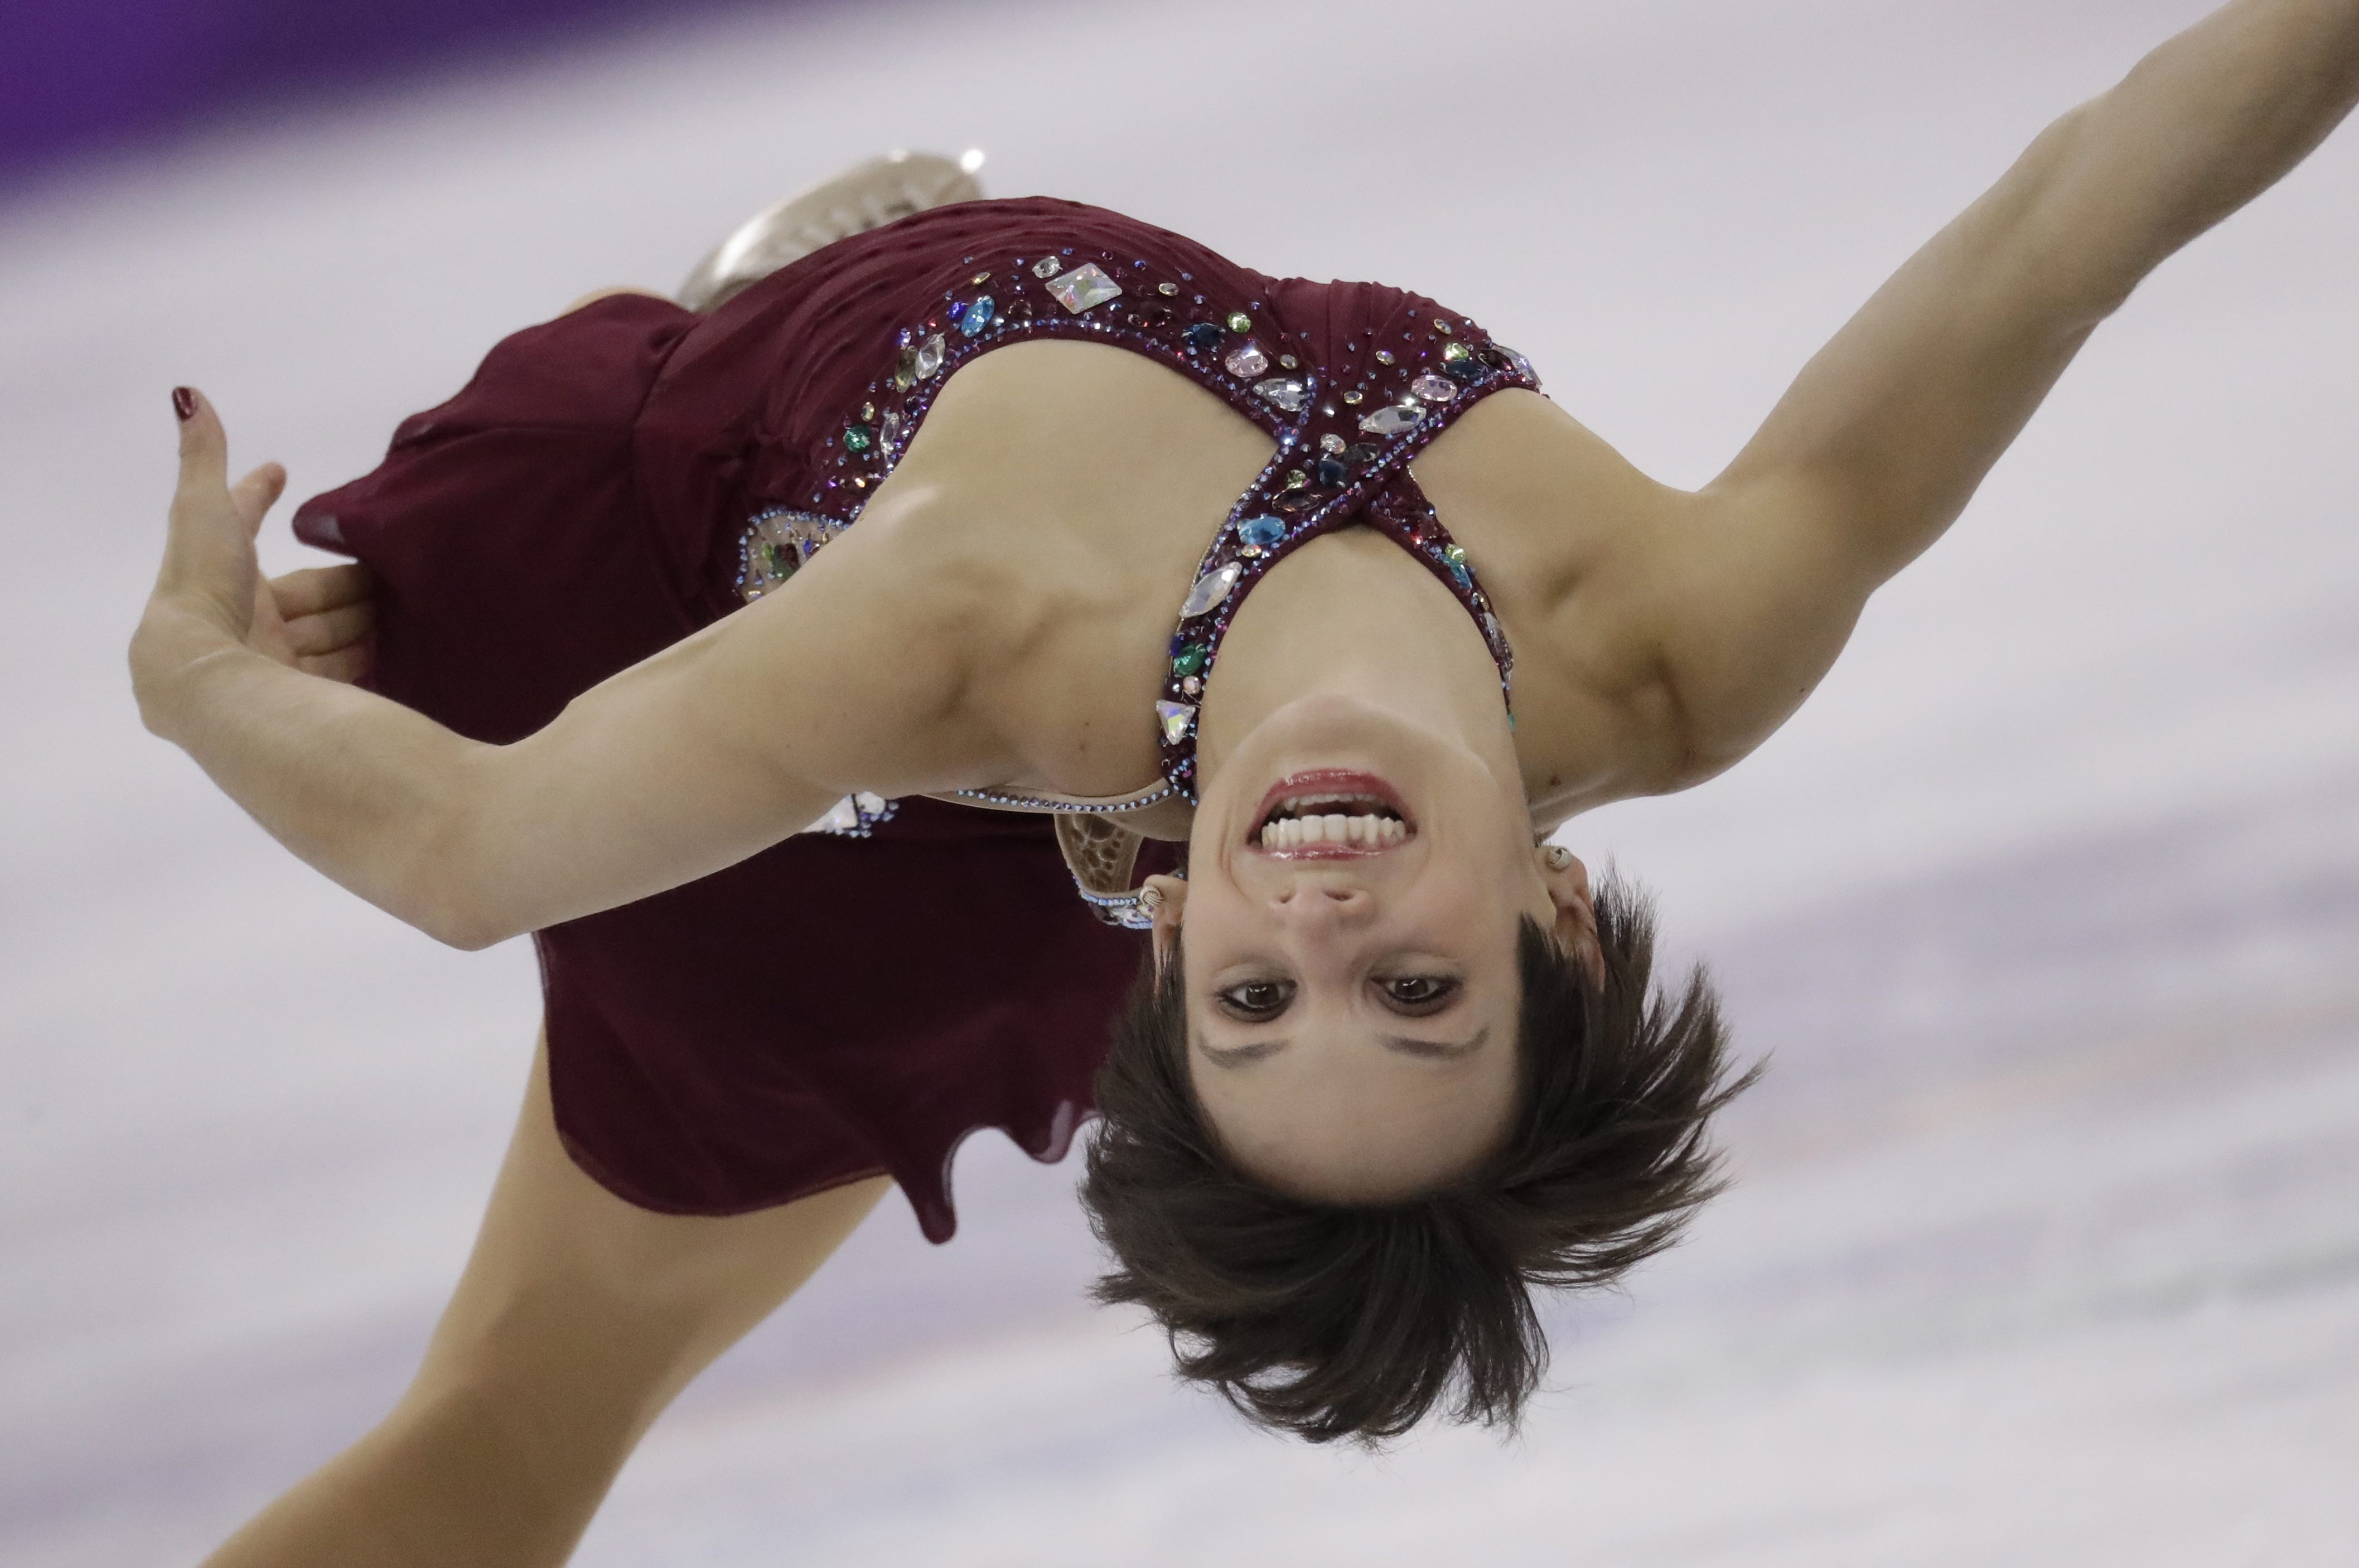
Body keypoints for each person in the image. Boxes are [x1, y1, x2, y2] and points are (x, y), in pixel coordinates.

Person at [129, 1, 2355, 1558]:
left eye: (1258, 1002)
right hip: (939, 683)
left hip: (672, 654)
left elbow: (463, 853)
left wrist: (191, 672)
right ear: (1556, 915)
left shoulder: (983, 616)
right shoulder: (1673, 645)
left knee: (512, 1423)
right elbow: (2072, 226)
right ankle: (792, 322)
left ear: (1174, 934)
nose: (1322, 924)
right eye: (1418, 993)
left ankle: (766, 349)